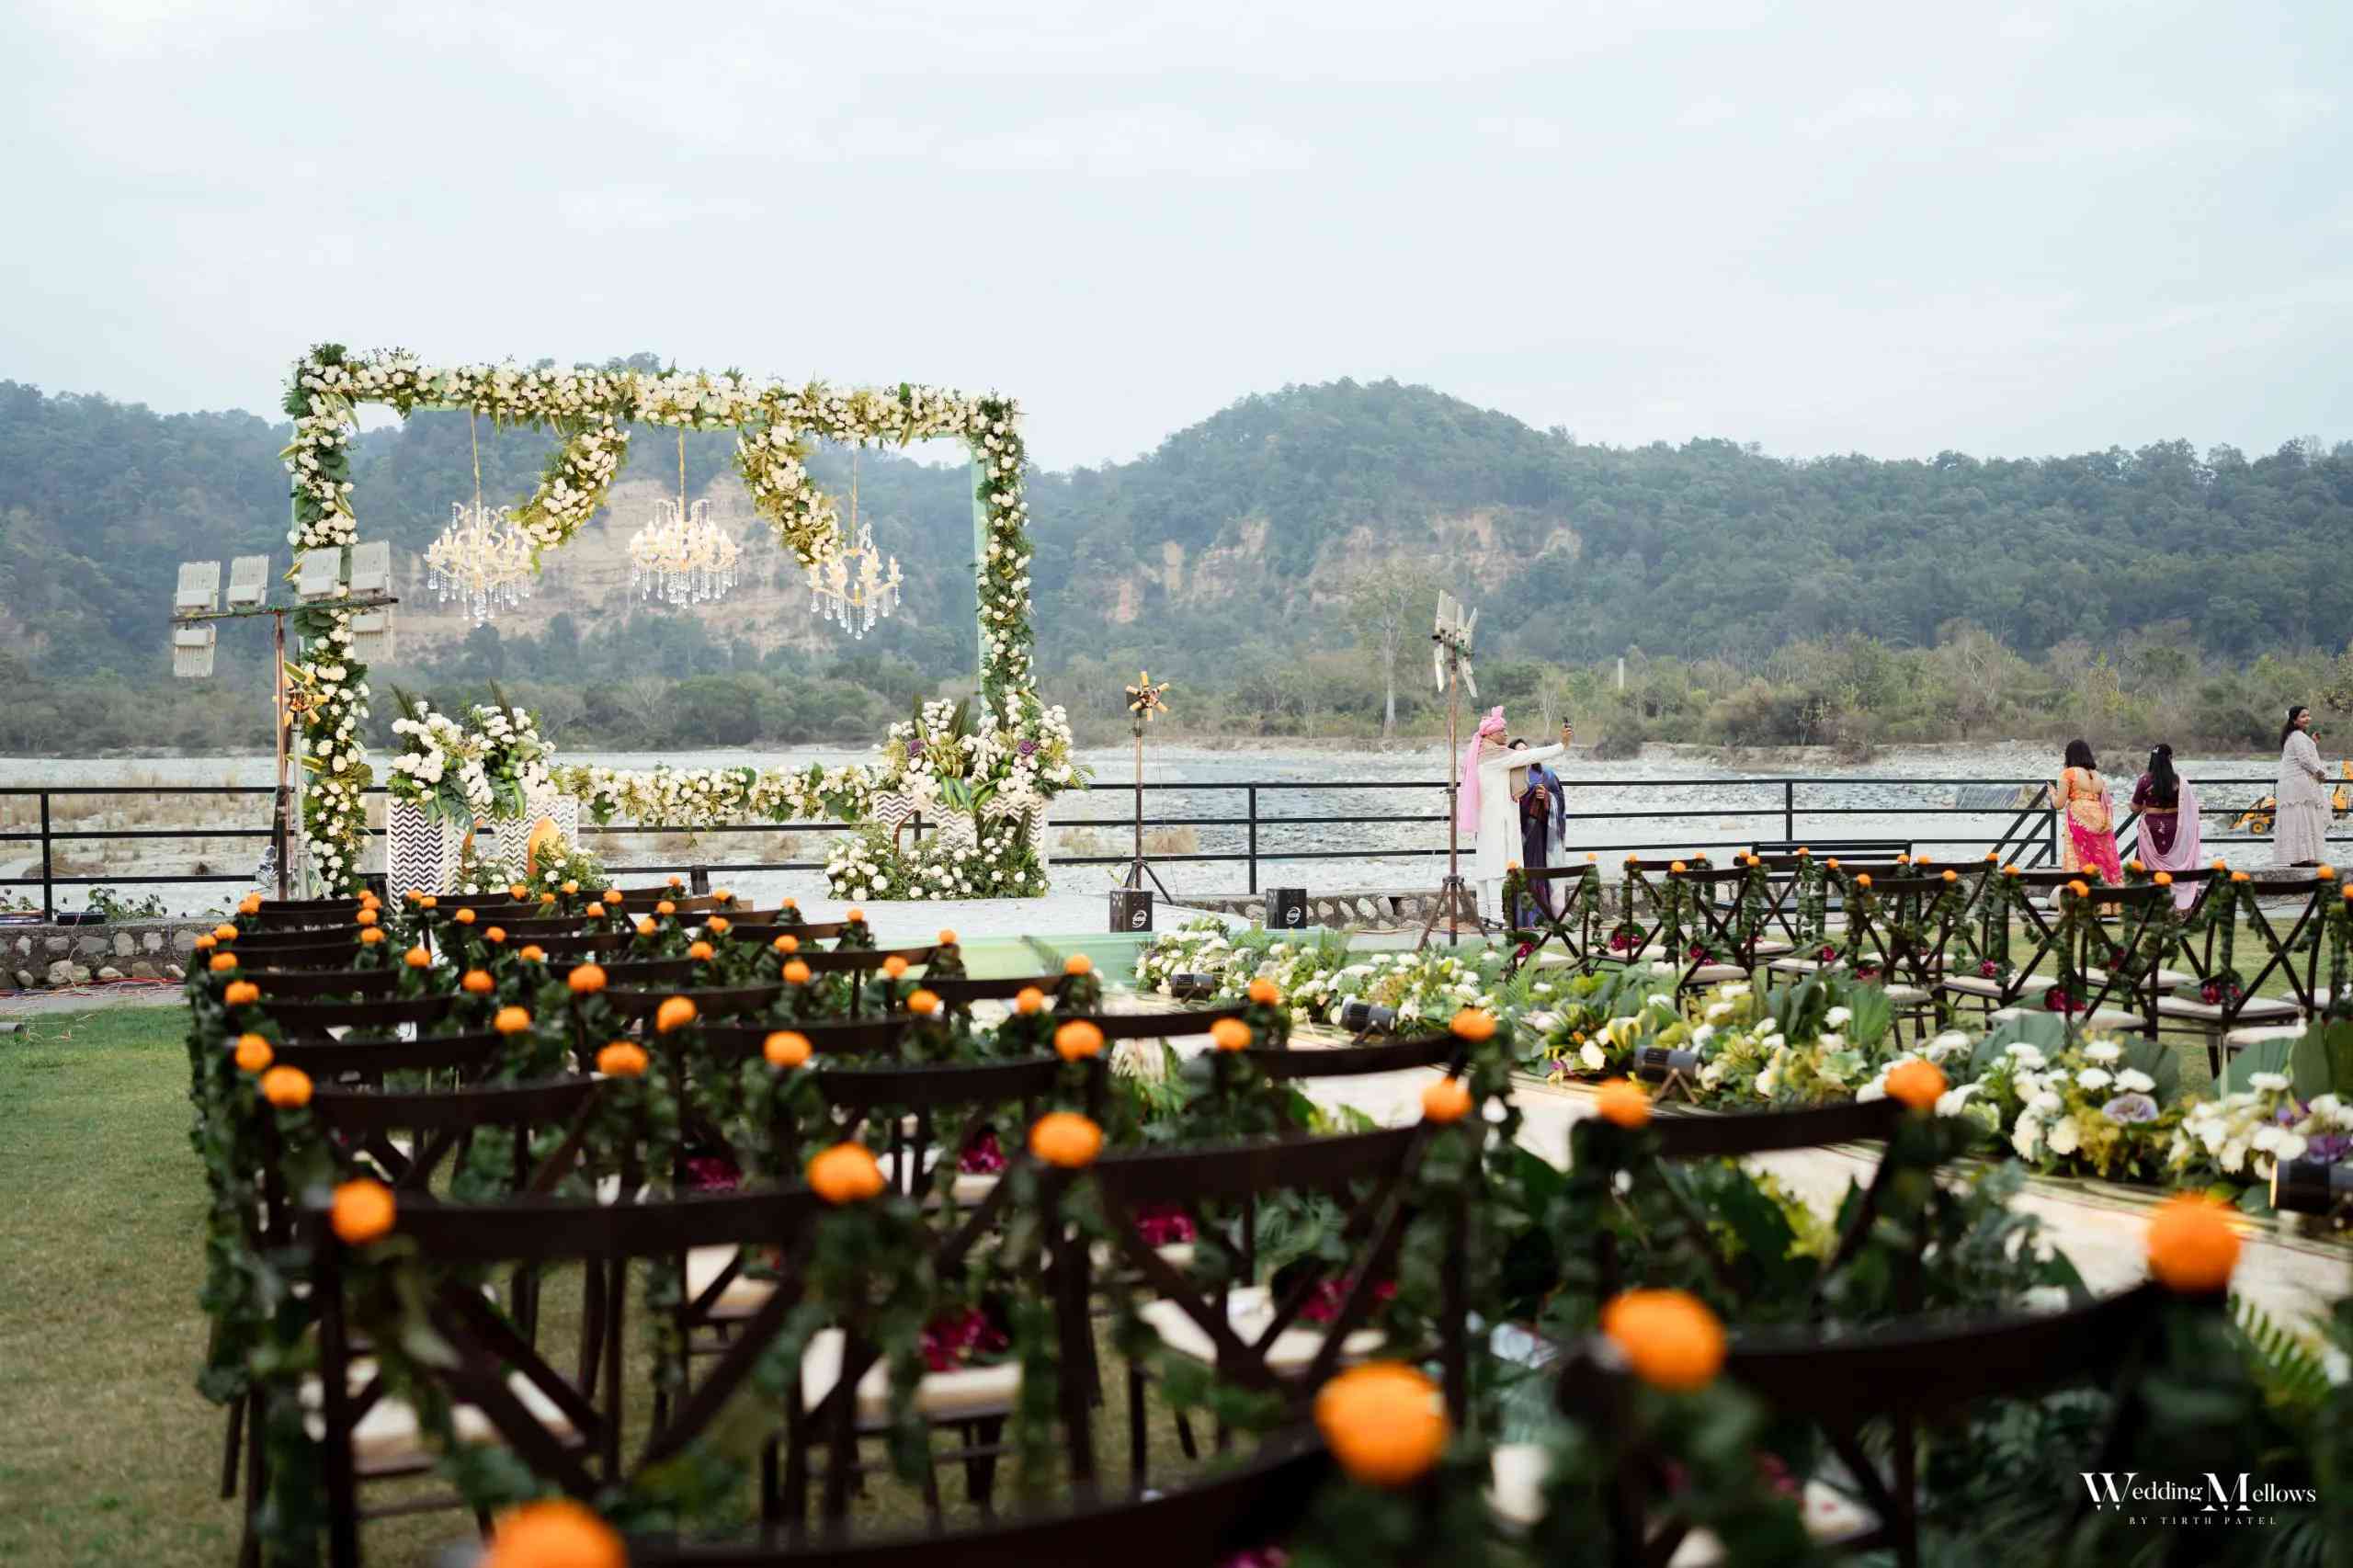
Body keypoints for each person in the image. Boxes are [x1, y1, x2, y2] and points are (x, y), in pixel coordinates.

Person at [1461, 710, 1570, 922]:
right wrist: (1562, 745)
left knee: (1484, 866)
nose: (1506, 734)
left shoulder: (1479, 755)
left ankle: (1484, 914)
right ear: (1490, 734)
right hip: (1497, 819)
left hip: (1486, 819)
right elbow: (1530, 756)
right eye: (1502, 731)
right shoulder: (1496, 757)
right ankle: (1496, 916)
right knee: (1495, 868)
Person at [2130, 744, 2200, 908]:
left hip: (2151, 828)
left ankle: (2147, 904)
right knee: (2175, 863)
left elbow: (2135, 807)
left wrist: (2141, 806)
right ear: (2170, 758)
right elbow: (2190, 806)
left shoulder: (2145, 780)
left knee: (2146, 865)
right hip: (2175, 828)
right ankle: (2179, 902)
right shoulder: (2179, 781)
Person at [1508, 737, 1569, 917]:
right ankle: (1519, 916)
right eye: (1519, 751)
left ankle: (1540, 914)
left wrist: (1547, 798)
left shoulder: (1546, 774)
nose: (1524, 753)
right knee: (1518, 872)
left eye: (1526, 750)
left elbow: (1560, 800)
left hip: (1539, 834)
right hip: (1515, 833)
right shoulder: (1507, 776)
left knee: (1539, 872)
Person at [2052, 739, 2123, 885]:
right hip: (2100, 816)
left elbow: (2059, 804)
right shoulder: (2097, 775)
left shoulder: (2069, 773)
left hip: (2080, 816)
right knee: (2100, 856)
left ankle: (2080, 889)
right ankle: (2105, 889)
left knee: (2081, 855)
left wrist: (2052, 794)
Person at [2273, 705, 2331, 868]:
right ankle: (2303, 858)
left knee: (2298, 820)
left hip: (2292, 784)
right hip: (2298, 785)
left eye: (2308, 715)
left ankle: (2302, 857)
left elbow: (2302, 754)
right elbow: (2304, 760)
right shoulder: (2297, 736)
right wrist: (2320, 773)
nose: (2308, 718)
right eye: (2303, 716)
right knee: (2302, 819)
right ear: (2294, 720)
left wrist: (2312, 743)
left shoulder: (2294, 736)